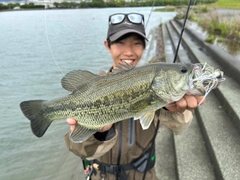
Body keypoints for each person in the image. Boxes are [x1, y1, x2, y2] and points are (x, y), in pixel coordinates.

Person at [65, 13, 205, 180]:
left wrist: (174, 110)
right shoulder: (92, 88)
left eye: (137, 43)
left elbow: (180, 126)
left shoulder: (157, 84)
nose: (129, 51)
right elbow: (77, 147)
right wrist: (98, 133)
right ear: (107, 45)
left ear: (144, 46)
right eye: (120, 43)